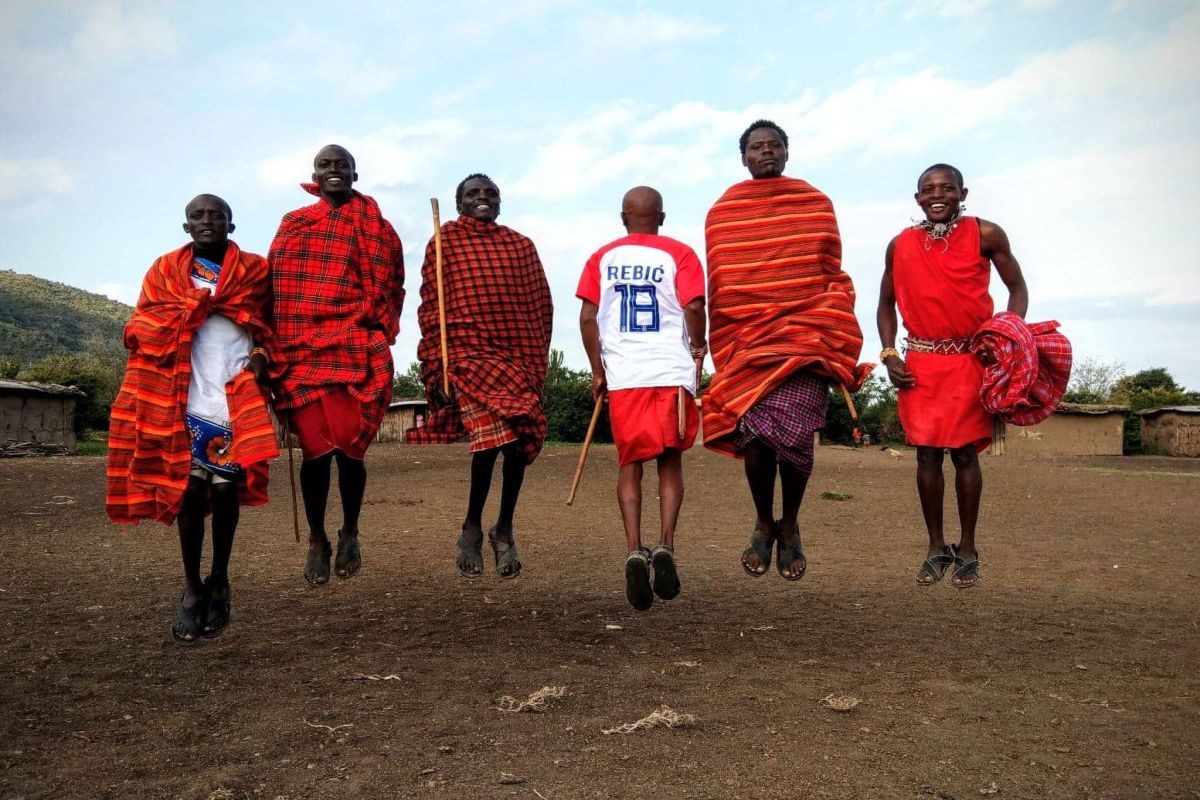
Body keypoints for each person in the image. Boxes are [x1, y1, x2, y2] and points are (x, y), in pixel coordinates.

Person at [703, 120, 871, 581]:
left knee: (796, 439)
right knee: (756, 437)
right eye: (756, 147)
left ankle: (791, 523)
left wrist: (830, 313)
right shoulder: (724, 210)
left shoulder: (814, 202)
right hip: (750, 340)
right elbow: (724, 281)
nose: (766, 152)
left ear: (786, 152)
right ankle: (763, 520)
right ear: (743, 157)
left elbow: (828, 269)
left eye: (774, 145)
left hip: (806, 336)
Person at [107, 194, 278, 645]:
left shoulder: (255, 271)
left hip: (234, 391)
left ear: (230, 224)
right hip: (179, 394)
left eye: (216, 215)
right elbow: (142, 325)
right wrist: (188, 311)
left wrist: (262, 358)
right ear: (186, 226)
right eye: (198, 216)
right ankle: (190, 585)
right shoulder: (165, 270)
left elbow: (272, 327)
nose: (207, 221)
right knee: (189, 491)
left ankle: (220, 578)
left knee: (225, 491)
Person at [877, 163, 1028, 589]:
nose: (937, 195)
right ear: (917, 198)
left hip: (969, 360)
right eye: (928, 189)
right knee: (926, 456)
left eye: (946, 188)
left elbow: (1017, 289)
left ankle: (968, 549)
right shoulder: (900, 244)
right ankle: (935, 547)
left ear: (963, 193)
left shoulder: (986, 234)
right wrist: (889, 354)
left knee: (964, 455)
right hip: (920, 363)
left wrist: (1007, 334)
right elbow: (885, 304)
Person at [268, 144, 405, 586]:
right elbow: (278, 287)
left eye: (341, 165)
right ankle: (316, 538)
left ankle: (350, 531)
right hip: (302, 351)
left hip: (356, 347)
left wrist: (379, 329)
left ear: (354, 174)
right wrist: (273, 345)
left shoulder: (379, 229)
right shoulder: (294, 224)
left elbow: (394, 286)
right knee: (314, 453)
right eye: (325, 165)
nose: (334, 170)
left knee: (349, 451)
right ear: (314, 175)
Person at [408, 174, 553, 580]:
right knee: (490, 443)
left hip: (517, 358)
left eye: (490, 193)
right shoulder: (444, 243)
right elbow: (431, 308)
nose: (482, 198)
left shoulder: (521, 246)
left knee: (518, 443)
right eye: (473, 193)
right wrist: (434, 366)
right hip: (468, 357)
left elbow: (540, 303)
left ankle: (503, 525)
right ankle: (472, 526)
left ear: (500, 202)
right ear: (460, 204)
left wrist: (536, 359)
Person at [577, 186, 707, 611]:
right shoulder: (681, 254)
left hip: (625, 375)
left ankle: (634, 549)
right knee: (670, 460)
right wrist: (698, 346)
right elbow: (693, 307)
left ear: (623, 218)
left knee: (629, 464)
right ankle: (665, 543)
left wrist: (598, 371)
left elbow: (588, 318)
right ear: (662, 217)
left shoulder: (601, 257)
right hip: (671, 372)